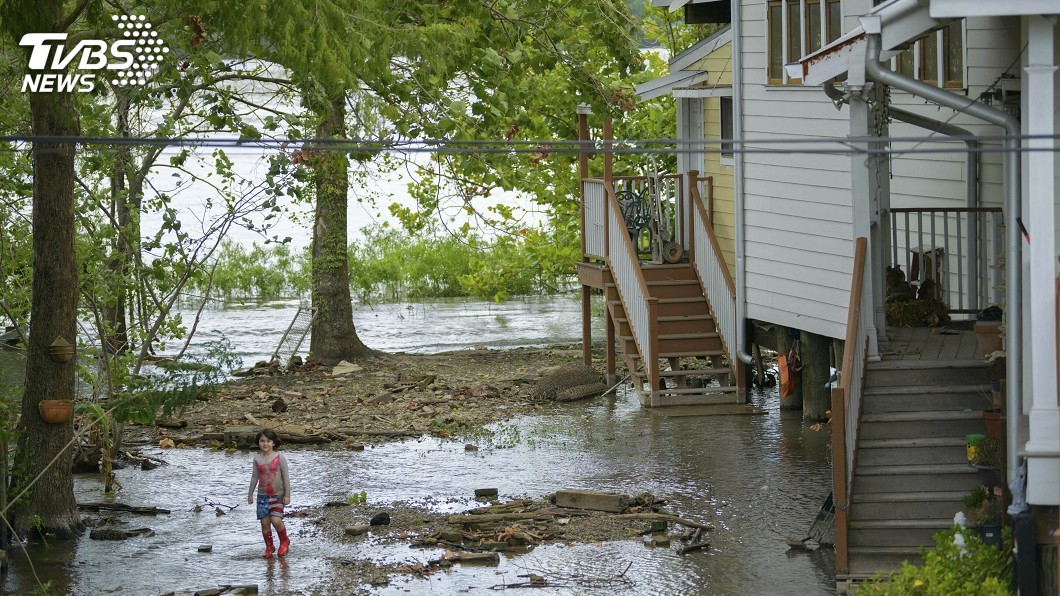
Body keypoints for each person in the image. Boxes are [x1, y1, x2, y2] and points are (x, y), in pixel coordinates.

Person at [247, 428, 291, 558]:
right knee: (265, 523)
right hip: (262, 496)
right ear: (258, 442)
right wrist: (250, 494)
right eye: (262, 441)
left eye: (268, 441)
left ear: (274, 443)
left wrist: (287, 495)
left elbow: (286, 477)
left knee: (276, 520)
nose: (265, 444)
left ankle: (284, 541)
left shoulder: (279, 457)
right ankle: (269, 546)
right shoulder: (256, 459)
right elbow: (254, 477)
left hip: (278, 494)